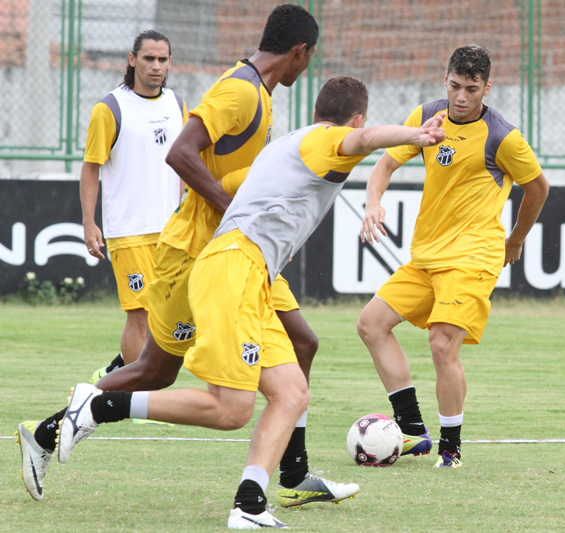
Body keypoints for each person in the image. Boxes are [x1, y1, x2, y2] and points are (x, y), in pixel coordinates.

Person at [55, 75, 447, 529]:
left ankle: (250, 502)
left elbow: (236, 186)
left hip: (251, 276)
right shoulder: (329, 141)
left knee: (292, 394)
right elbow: (362, 139)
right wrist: (413, 134)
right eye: (357, 127)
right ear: (354, 118)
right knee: (231, 409)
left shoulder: (288, 144)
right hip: (234, 271)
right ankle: (100, 405)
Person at [15, 4, 343, 508]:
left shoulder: (261, 92)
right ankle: (50, 430)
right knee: (156, 370)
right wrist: (233, 210)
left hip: (239, 253)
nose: (307, 66)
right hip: (198, 254)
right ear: (299, 51)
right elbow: (181, 153)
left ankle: (292, 472)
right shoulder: (239, 90)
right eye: (309, 58)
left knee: (303, 340)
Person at [356, 44, 550, 468]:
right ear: (445, 79)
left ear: (487, 88)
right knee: (371, 325)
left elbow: (538, 187)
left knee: (442, 343)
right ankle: (411, 429)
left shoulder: (503, 137)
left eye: (472, 89)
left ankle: (451, 447)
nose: (462, 97)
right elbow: (385, 164)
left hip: (473, 256)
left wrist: (514, 240)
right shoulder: (427, 116)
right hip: (426, 255)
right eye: (456, 86)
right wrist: (374, 202)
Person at [80, 30, 186, 383]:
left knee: (170, 317)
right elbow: (91, 167)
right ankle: (138, 398)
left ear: (170, 62)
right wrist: (89, 223)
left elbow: (185, 164)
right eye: (149, 59)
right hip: (129, 230)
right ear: (132, 59)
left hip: (172, 230)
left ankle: (115, 372)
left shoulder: (177, 104)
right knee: (140, 316)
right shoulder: (109, 108)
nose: (156, 66)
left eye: (162, 59)